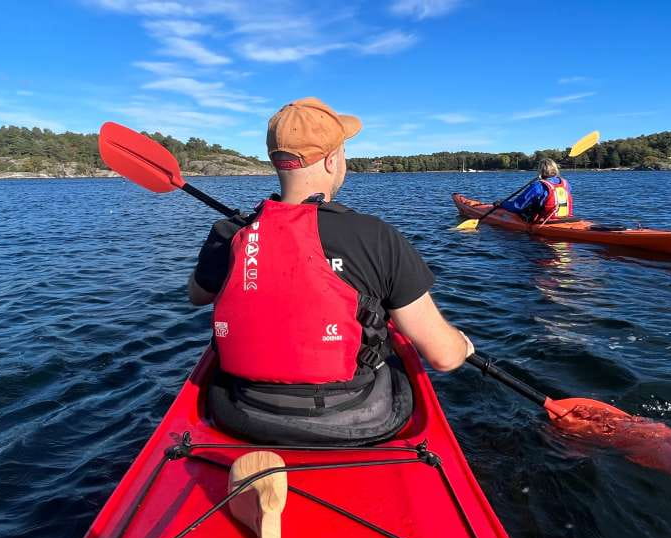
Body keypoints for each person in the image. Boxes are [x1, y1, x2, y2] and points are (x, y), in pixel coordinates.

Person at [187, 97, 473, 445]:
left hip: (243, 411)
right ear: (333, 160)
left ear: (276, 161)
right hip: (354, 415)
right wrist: (463, 345)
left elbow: (196, 295)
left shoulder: (230, 233)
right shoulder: (374, 236)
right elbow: (443, 357)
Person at [496, 158, 574, 222]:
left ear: (540, 170)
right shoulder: (565, 183)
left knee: (525, 208)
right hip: (566, 219)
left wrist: (502, 203)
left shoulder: (538, 186)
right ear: (555, 169)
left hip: (545, 221)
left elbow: (517, 206)